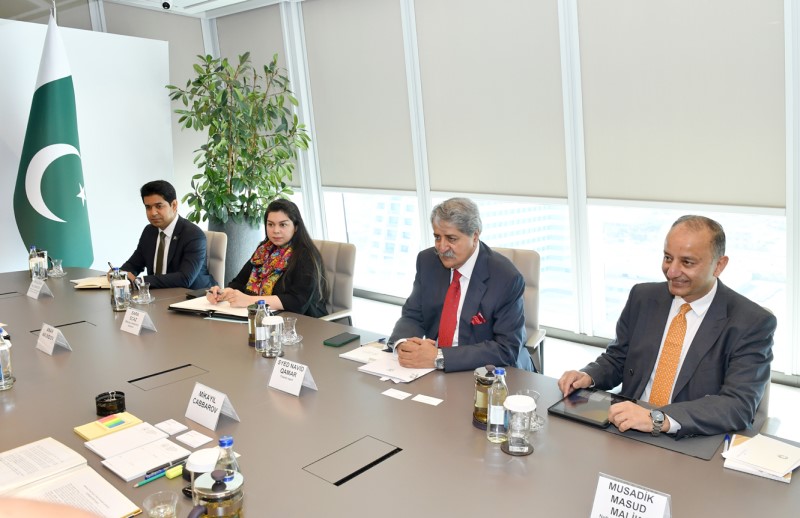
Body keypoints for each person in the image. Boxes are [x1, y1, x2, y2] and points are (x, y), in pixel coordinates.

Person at [558, 215, 776, 438]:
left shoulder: (751, 322)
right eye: (668, 258)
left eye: (687, 262)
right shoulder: (642, 297)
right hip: (627, 427)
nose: (671, 271)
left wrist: (658, 419)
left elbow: (738, 405)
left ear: (719, 265)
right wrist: (589, 375)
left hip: (692, 437)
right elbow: (619, 358)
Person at [389, 197, 532, 373]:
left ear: (475, 236)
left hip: (485, 372)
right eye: (437, 237)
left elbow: (506, 349)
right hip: (430, 369)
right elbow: (413, 315)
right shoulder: (428, 261)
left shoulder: (506, 278)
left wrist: (440, 357)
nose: (442, 247)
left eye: (451, 238)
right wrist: (403, 344)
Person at [206, 199, 328, 317]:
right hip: (264, 317)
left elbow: (297, 302)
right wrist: (224, 292)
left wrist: (249, 300)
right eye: (270, 224)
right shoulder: (263, 250)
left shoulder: (306, 255)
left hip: (303, 322)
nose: (276, 230)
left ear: (295, 227)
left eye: (283, 225)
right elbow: (239, 282)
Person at [119, 180, 215, 290]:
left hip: (193, 295)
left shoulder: (193, 235)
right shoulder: (149, 231)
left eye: (159, 206)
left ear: (174, 205)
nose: (153, 213)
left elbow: (185, 278)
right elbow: (133, 264)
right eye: (148, 207)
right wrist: (119, 274)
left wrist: (140, 281)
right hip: (159, 295)